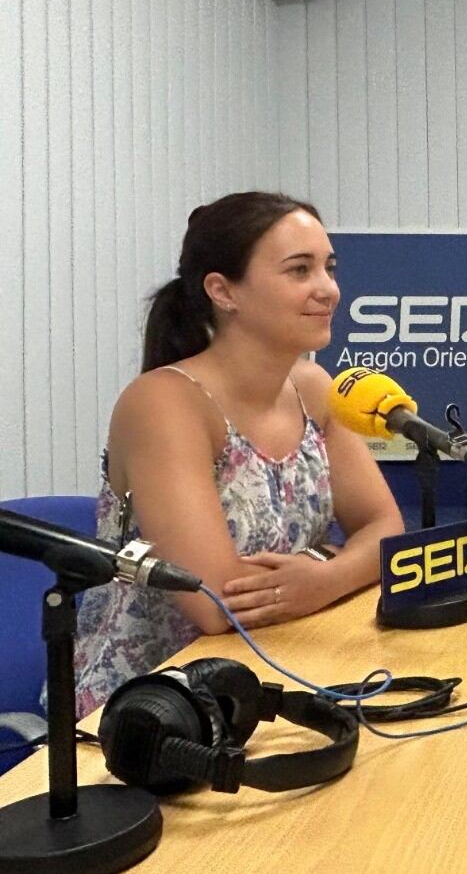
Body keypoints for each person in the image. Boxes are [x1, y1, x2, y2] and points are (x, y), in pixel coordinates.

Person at [71, 193, 403, 718]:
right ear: (223, 291)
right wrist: (337, 562)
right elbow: (219, 604)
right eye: (300, 270)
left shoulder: (314, 388)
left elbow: (386, 528)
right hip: (155, 706)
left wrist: (320, 578)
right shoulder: (165, 402)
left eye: (329, 268)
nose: (328, 290)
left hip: (287, 661)